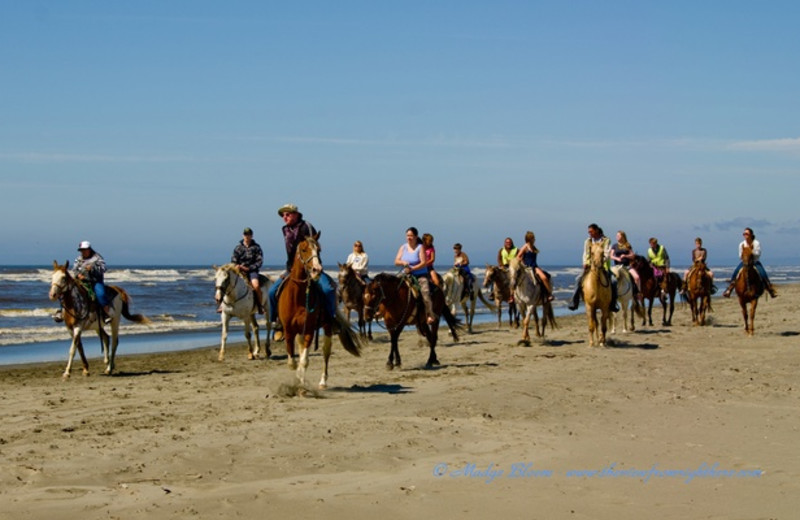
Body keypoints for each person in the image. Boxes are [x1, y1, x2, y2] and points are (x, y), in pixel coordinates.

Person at [268, 204, 338, 335]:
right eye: (283, 215)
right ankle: (277, 323)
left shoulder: (307, 226)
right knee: (272, 292)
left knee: (328, 290)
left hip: (312, 268)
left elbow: (314, 246)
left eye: (287, 214)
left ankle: (331, 319)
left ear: (295, 214)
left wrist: (315, 265)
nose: (285, 217)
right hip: (292, 269)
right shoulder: (285, 229)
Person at [54, 241, 111, 323]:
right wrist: (78, 275)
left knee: (100, 294)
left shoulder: (97, 257)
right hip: (81, 281)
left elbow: (103, 269)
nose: (83, 252)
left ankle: (106, 314)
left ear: (89, 249)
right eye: (81, 250)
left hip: (95, 281)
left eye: (84, 250)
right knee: (65, 291)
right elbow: (75, 269)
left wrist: (92, 269)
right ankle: (61, 311)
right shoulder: (79, 259)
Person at [567, 224, 619, 312]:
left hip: (603, 267)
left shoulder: (606, 240)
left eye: (591, 231)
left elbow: (607, 253)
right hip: (590, 267)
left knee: (613, 281)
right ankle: (574, 302)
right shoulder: (587, 241)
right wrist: (585, 262)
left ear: (596, 230)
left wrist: (600, 261)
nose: (589, 233)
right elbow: (585, 253)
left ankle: (613, 303)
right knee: (578, 279)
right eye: (589, 232)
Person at [395, 227, 436, 324]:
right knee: (393, 288)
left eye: (411, 236)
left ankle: (430, 314)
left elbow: (423, 262)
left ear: (416, 237)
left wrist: (413, 268)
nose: (409, 238)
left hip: (420, 274)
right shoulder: (403, 247)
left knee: (425, 293)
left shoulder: (420, 247)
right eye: (407, 236)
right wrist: (403, 262)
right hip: (406, 274)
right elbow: (396, 261)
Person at [722, 227, 778, 298]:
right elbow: (740, 255)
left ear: (751, 235)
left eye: (746, 234)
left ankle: (770, 290)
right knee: (736, 272)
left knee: (763, 273)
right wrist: (745, 256)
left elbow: (758, 253)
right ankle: (729, 289)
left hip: (754, 262)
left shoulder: (756, 243)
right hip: (745, 262)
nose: (745, 235)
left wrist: (750, 252)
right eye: (744, 234)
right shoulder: (741, 244)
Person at [231, 227, 265, 313]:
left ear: (251, 236)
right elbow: (233, 260)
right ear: (243, 235)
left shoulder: (256, 247)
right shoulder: (238, 248)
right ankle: (222, 305)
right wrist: (237, 266)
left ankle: (259, 305)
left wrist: (249, 268)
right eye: (245, 234)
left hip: (251, 271)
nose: (247, 236)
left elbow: (259, 261)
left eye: (249, 234)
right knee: (227, 283)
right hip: (239, 270)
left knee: (256, 286)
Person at [515, 231, 553, 301]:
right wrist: (522, 262)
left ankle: (548, 293)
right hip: (528, 267)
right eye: (533, 238)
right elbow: (518, 257)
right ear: (529, 239)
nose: (534, 239)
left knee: (545, 277)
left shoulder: (533, 246)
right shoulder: (525, 246)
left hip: (535, 266)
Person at [610, 230, 641, 297]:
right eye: (617, 235)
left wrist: (625, 256)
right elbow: (611, 256)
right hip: (617, 266)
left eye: (619, 235)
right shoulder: (614, 245)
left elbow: (632, 255)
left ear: (623, 236)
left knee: (637, 277)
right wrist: (617, 258)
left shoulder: (627, 245)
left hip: (626, 266)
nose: (617, 236)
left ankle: (637, 292)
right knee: (611, 278)